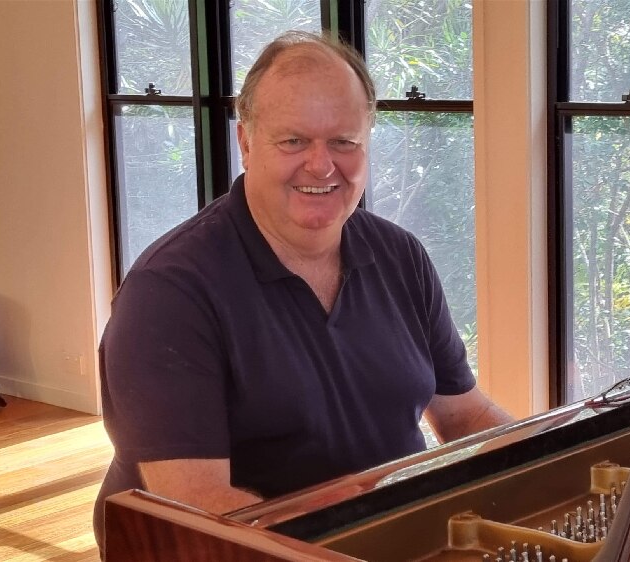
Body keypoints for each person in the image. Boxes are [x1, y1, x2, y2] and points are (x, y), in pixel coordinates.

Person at [93, 30, 512, 550]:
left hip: (388, 536)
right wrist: (352, 528)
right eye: (293, 141)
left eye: (344, 141)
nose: (321, 165)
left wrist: (560, 455)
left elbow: (465, 415)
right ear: (246, 143)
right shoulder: (169, 293)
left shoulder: (401, 256)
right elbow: (195, 509)